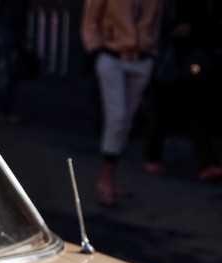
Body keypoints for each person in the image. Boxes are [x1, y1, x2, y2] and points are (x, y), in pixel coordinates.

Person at [81, 0, 165, 206]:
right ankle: (106, 180)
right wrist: (96, 50)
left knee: (126, 121)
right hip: (112, 56)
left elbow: (156, 22)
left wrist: (152, 52)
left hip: (142, 60)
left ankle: (111, 177)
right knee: (116, 118)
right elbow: (90, 19)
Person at [142, 0, 222, 182]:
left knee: (194, 109)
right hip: (168, 58)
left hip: (193, 59)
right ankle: (153, 156)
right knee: (162, 110)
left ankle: (207, 163)